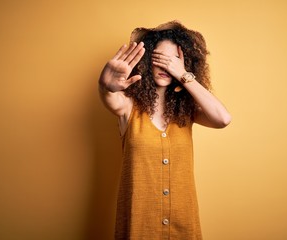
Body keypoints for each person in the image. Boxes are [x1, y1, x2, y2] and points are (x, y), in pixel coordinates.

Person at [98, 20, 231, 239]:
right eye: (159, 59)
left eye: (174, 60)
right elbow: (110, 97)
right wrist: (105, 87)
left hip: (183, 225)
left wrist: (183, 74)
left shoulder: (187, 112)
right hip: (140, 227)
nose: (166, 66)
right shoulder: (128, 107)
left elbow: (223, 118)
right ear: (145, 61)